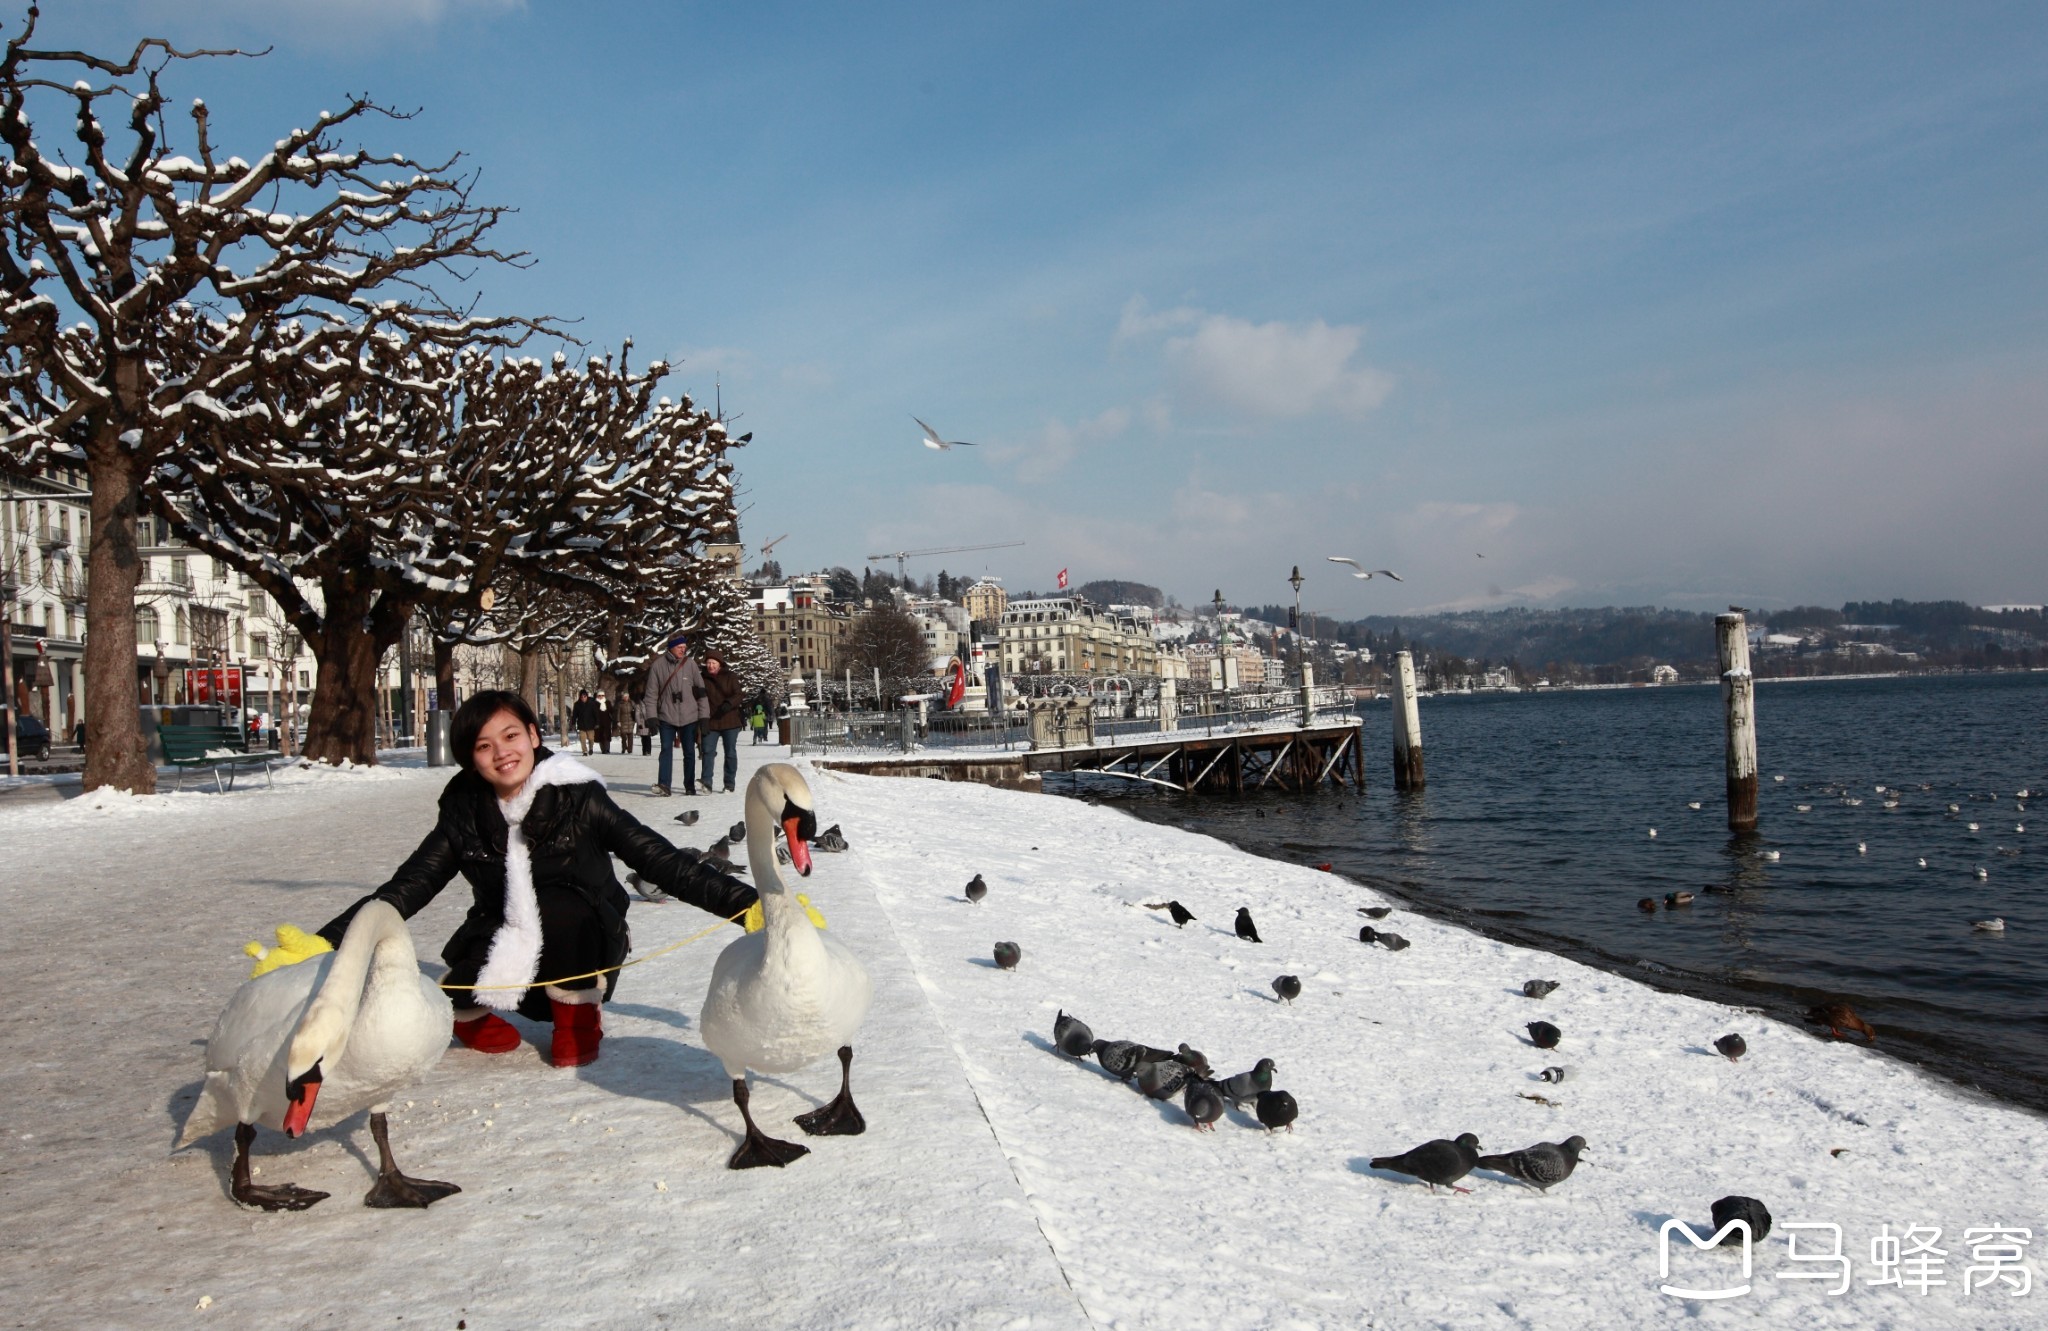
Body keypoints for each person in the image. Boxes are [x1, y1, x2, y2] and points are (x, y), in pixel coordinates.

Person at [313, 690, 754, 1068]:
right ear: (470, 759)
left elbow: (662, 861)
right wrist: (322, 942)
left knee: (560, 905)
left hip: (585, 935)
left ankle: (577, 1018)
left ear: (533, 736)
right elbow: (407, 887)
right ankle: (473, 1012)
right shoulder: (463, 815)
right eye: (484, 746)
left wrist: (751, 907)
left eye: (510, 737)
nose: (502, 753)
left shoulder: (580, 797)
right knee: (450, 993)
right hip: (505, 929)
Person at [635, 634, 706, 796]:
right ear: (671, 648)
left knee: (689, 751)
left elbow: (701, 693)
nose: (683, 649)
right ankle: (664, 784)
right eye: (680, 647)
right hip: (666, 714)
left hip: (689, 715)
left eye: (684, 647)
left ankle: (689, 785)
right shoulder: (658, 666)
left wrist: (704, 717)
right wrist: (651, 717)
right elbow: (651, 694)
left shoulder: (691, 665)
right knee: (666, 749)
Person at [696, 652, 744, 793]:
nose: (710, 666)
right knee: (707, 751)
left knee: (730, 752)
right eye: (708, 663)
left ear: (720, 664)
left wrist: (729, 703)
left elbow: (739, 694)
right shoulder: (701, 678)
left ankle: (729, 783)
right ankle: (706, 782)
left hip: (729, 720)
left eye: (714, 663)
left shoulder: (731, 676)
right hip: (711, 721)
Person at [571, 690, 600, 756]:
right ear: (580, 697)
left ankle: (591, 748)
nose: (583, 698)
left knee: (591, 738)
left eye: (585, 696)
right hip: (581, 725)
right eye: (582, 697)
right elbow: (574, 715)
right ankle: (584, 751)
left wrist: (597, 723)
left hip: (590, 724)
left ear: (587, 696)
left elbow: (596, 714)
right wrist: (573, 723)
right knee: (582, 739)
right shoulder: (577, 704)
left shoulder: (591, 704)